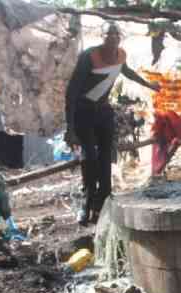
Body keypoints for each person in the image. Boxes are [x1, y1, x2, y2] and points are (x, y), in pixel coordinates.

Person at [65, 22, 160, 226]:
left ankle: (103, 205)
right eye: (109, 34)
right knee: (90, 158)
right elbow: (71, 92)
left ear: (120, 38)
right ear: (102, 36)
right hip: (84, 113)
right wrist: (70, 128)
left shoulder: (120, 55)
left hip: (103, 112)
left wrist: (148, 85)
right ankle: (86, 205)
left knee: (106, 158)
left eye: (116, 34)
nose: (113, 37)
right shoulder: (89, 57)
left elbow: (126, 71)